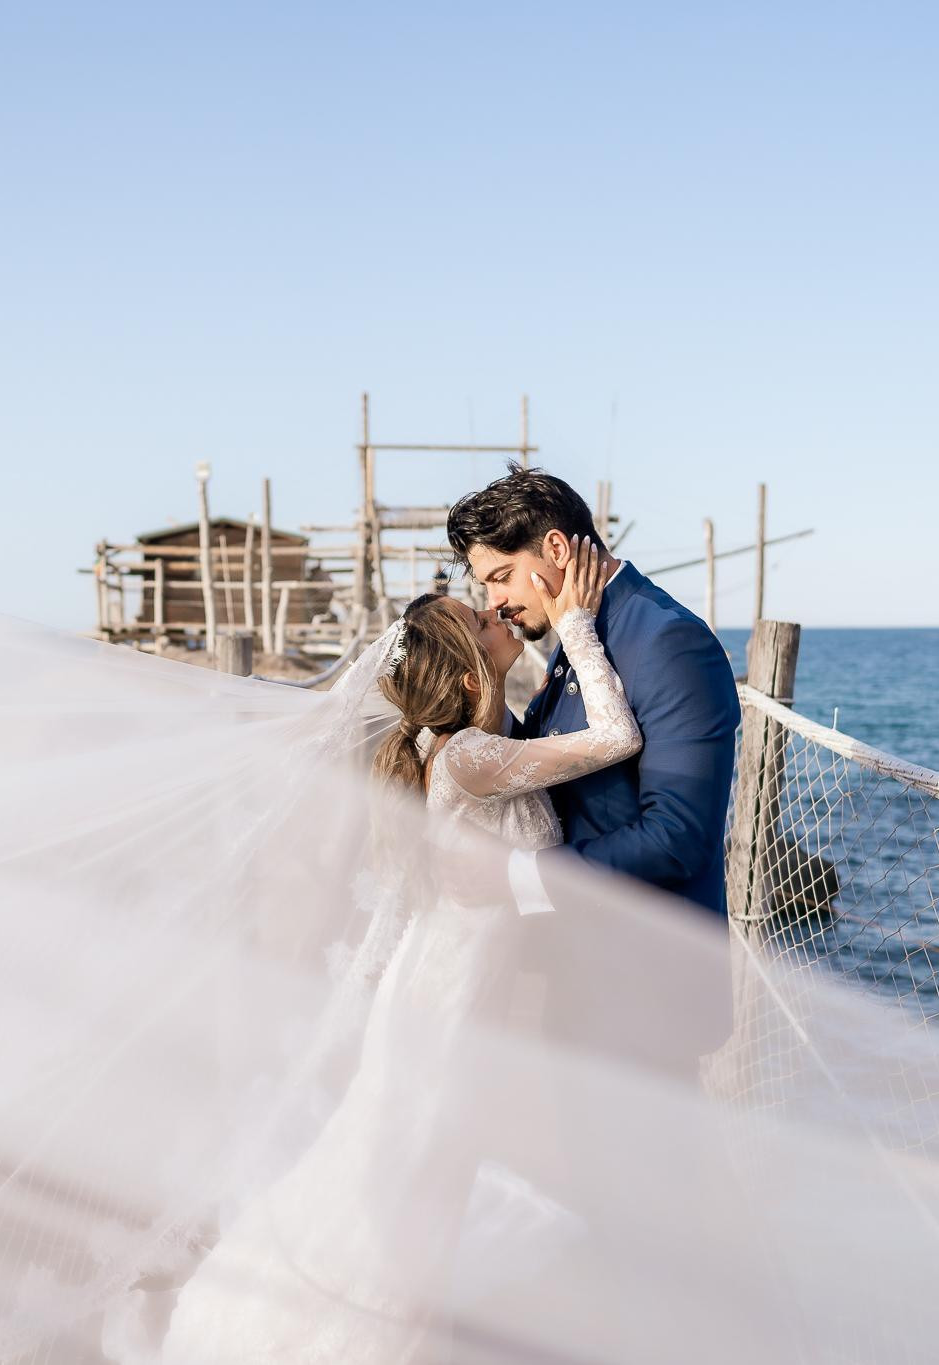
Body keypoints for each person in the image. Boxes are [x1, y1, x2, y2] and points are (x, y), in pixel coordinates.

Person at [159, 540, 637, 1363]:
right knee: (405, 1193)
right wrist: (578, 626)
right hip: (441, 1018)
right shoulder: (470, 756)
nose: (495, 612)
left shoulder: (472, 743)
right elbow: (617, 736)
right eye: (478, 620)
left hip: (448, 1001)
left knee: (419, 1193)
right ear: (464, 679)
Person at [446, 466, 742, 921]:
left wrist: (513, 875)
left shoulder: (670, 641)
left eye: (502, 576)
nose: (494, 601)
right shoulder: (577, 626)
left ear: (557, 549)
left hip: (647, 962)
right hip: (578, 950)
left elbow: (677, 836)